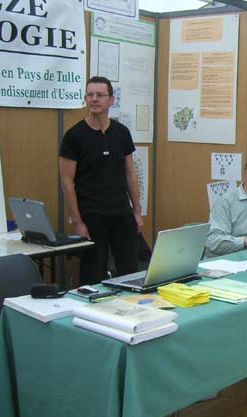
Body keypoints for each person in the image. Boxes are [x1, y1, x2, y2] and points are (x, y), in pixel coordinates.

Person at [59, 76, 143, 285]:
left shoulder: (121, 132)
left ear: (111, 100)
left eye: (100, 95)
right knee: (93, 276)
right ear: (85, 99)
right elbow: (67, 183)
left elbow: (130, 174)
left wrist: (136, 211)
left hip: (121, 214)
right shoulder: (74, 136)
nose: (94, 99)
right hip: (92, 217)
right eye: (90, 95)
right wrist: (77, 222)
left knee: (130, 273)